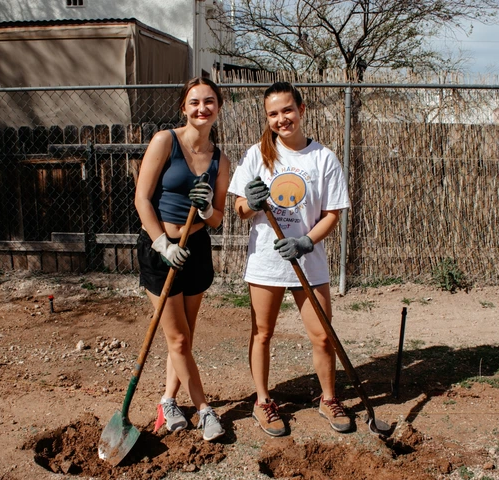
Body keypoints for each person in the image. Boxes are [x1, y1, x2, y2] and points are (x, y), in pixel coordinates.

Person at [228, 81, 352, 437]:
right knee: (262, 333)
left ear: (301, 110)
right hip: (266, 260)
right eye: (273, 114)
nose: (282, 119)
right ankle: (263, 402)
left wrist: (305, 242)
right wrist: (250, 203)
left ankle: (328, 398)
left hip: (307, 262)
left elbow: (331, 213)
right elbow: (238, 209)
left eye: (287, 110)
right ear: (267, 118)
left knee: (322, 335)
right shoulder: (257, 155)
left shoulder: (322, 158)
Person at [134, 77, 230, 441]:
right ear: (183, 108)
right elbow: (142, 198)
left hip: (196, 248)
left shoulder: (220, 160)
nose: (201, 108)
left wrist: (205, 207)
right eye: (194, 102)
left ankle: (168, 401)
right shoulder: (165, 141)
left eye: (209, 102)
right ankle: (205, 410)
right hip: (161, 250)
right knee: (178, 339)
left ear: (218, 108)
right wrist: (161, 244)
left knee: (185, 338)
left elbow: (218, 217)